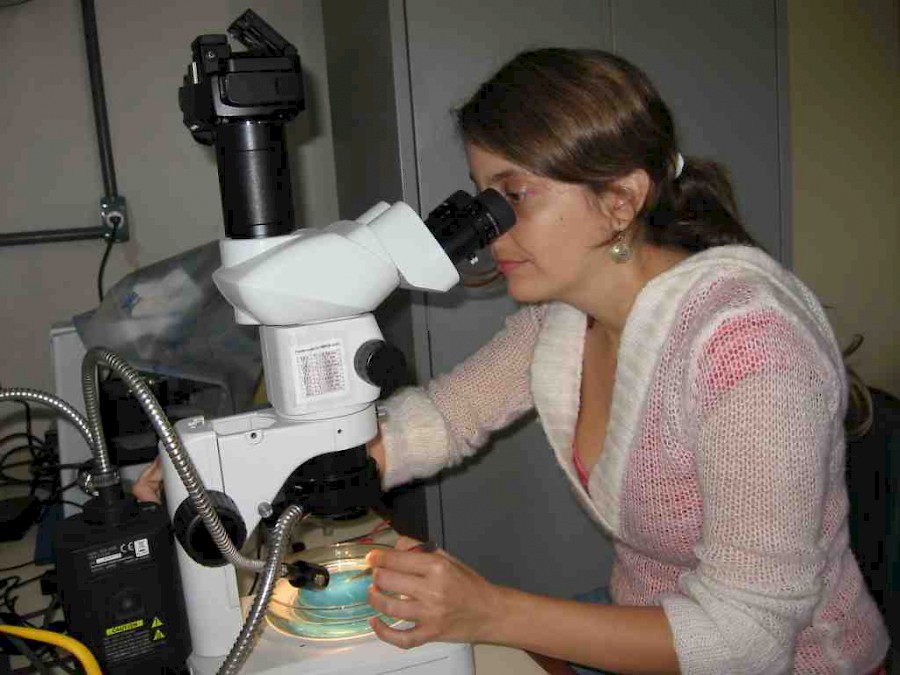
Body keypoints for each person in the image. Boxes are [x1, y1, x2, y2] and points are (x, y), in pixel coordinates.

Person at [136, 49, 889, 674]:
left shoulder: (750, 352)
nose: (490, 229)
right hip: (645, 627)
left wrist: (490, 610)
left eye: (514, 195)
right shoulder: (567, 316)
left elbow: (747, 638)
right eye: (482, 197)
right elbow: (443, 418)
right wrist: (239, 472)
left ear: (620, 200)